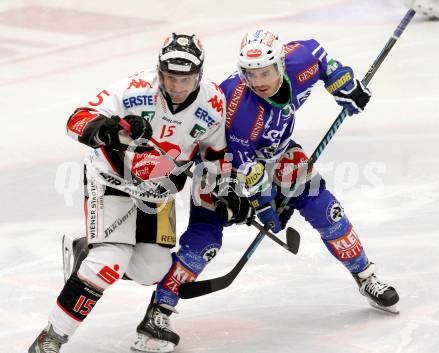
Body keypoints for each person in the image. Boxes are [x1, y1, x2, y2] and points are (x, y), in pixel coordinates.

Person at [130, 29, 400, 352]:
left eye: (266, 72)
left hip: (276, 151)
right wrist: (266, 205)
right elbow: (247, 169)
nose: (259, 81)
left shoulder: (301, 60)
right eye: (251, 74)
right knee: (205, 240)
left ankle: (366, 276)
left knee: (324, 207)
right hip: (221, 166)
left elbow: (323, 61)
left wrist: (345, 85)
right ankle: (158, 311)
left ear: (281, 64)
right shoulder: (241, 111)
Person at [28, 33, 249, 353]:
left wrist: (227, 191)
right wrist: (108, 131)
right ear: (159, 71)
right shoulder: (133, 91)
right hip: (111, 181)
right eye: (170, 77)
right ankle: (51, 338)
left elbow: (216, 155)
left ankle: (83, 250)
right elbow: (76, 120)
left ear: (199, 75)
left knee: (152, 272)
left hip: (158, 193)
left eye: (185, 79)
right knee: (108, 262)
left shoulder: (213, 103)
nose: (176, 87)